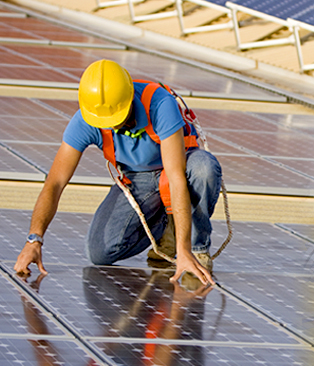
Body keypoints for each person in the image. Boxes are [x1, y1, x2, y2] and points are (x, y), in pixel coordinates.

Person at [14, 59, 221, 286]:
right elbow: (54, 183)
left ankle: (194, 248)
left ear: (130, 96)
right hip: (137, 179)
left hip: (181, 168)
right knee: (99, 253)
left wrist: (184, 250)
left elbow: (176, 177)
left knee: (204, 168)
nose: (112, 126)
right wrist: (34, 239)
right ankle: (165, 232)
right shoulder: (88, 117)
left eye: (117, 119)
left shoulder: (160, 104)